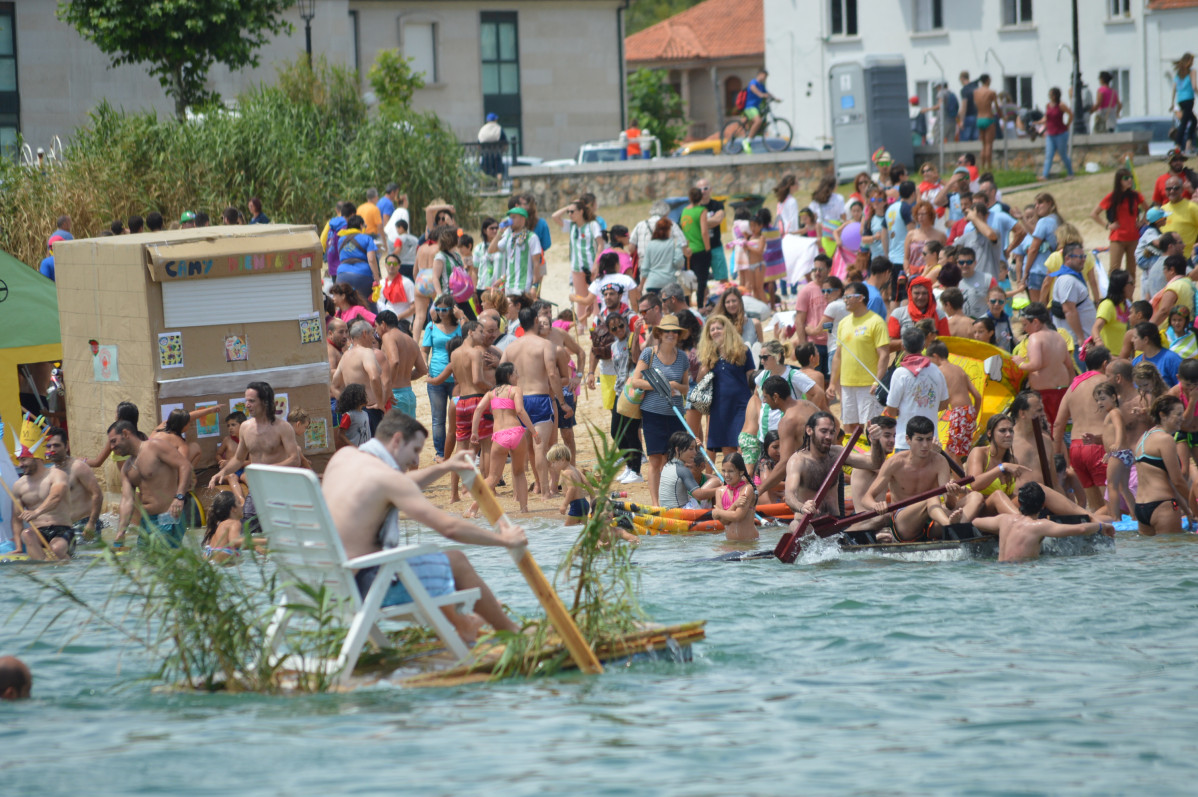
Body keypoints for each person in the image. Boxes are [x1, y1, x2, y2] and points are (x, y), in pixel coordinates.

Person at [326, 410, 525, 642]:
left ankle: (464, 624)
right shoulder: (387, 479)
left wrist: (445, 467)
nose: (416, 461)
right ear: (397, 440)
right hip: (367, 589)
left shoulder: (344, 458)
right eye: (416, 451)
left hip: (326, 583)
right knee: (455, 561)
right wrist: (505, 540)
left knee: (422, 564)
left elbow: (397, 484)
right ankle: (512, 631)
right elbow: (448, 528)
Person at [862, 416, 982, 541]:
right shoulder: (895, 462)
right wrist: (876, 505)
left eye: (928, 439)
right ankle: (952, 528)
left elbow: (950, 504)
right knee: (931, 497)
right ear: (908, 439)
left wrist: (951, 494)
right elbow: (867, 498)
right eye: (919, 439)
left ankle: (956, 527)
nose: (925, 445)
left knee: (976, 497)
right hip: (904, 522)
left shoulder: (940, 461)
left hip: (933, 517)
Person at [207, 382, 301, 533]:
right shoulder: (245, 427)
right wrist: (221, 473)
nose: (247, 405)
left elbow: (294, 459)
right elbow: (238, 459)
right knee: (248, 535)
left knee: (283, 535)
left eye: (251, 401)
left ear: (265, 402)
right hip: (257, 489)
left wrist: (265, 470)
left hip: (281, 490)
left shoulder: (283, 428)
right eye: (246, 400)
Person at [500, 306, 566, 498]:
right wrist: (562, 402)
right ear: (536, 321)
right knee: (540, 447)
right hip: (540, 399)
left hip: (518, 399)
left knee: (523, 449)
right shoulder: (545, 345)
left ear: (519, 323)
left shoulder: (511, 348)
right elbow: (553, 374)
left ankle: (520, 494)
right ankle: (545, 491)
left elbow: (501, 373)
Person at [629, 314, 691, 503]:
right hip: (653, 414)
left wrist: (674, 385)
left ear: (678, 335)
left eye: (674, 331)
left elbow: (686, 388)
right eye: (666, 331)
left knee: (673, 460)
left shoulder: (682, 358)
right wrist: (660, 385)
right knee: (656, 459)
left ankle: (671, 500)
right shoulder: (649, 353)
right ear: (660, 333)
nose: (670, 334)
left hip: (676, 414)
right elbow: (635, 380)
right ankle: (656, 503)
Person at [971, 483, 1114, 562]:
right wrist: (1102, 525)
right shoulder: (1040, 526)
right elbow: (1082, 529)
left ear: (1019, 503)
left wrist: (1000, 530)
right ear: (1043, 506)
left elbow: (976, 521)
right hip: (1023, 574)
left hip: (1002, 571)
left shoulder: (1003, 520)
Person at [467, 362, 540, 516]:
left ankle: (474, 507)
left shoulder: (491, 393)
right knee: (519, 473)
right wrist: (534, 432)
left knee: (493, 477)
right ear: (508, 376)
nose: (518, 376)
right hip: (516, 433)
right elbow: (520, 411)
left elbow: (479, 409)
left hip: (499, 436)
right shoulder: (515, 390)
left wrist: (474, 432)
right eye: (515, 373)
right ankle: (524, 509)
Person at [108, 420, 193, 549]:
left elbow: (185, 465)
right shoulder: (126, 469)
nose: (112, 447)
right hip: (147, 522)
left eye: (114, 441)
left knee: (161, 562)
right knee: (144, 563)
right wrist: (121, 531)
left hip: (168, 517)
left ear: (125, 433)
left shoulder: (155, 447)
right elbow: (127, 500)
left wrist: (180, 497)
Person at [1052, 346, 1115, 512]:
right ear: (1105, 363)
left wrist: (1056, 456)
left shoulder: (1074, 385)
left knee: (1094, 508)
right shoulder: (1107, 382)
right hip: (1098, 445)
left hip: (1076, 448)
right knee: (1111, 507)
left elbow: (1058, 424)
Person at [828, 281, 891, 437]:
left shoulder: (876, 321)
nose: (845, 300)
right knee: (849, 428)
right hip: (847, 385)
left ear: (861, 298)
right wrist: (831, 383)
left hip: (868, 385)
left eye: (848, 296)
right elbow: (838, 355)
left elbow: (884, 354)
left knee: (871, 429)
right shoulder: (843, 323)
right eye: (844, 297)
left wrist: (877, 381)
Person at [1133, 395, 1196, 533]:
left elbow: (1166, 482)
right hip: (1163, 506)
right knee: (1173, 552)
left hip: (1141, 507)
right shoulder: (1165, 439)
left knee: (1153, 554)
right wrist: (1195, 504)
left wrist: (1187, 511)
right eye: (1178, 414)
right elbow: (1178, 481)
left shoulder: (1144, 437)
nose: (1182, 418)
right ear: (1163, 415)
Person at [884, 328, 949, 451]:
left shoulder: (900, 373)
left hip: (906, 442)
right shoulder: (936, 370)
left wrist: (900, 410)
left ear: (903, 346)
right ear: (924, 345)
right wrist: (928, 408)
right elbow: (944, 403)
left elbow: (891, 410)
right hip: (930, 441)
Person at [698, 315, 755, 454]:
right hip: (720, 407)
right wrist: (706, 365)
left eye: (719, 328)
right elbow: (700, 380)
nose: (715, 331)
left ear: (727, 330)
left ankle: (746, 476)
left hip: (742, 405)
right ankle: (733, 476)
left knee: (743, 446)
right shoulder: (709, 355)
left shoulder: (742, 351)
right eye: (712, 329)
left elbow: (751, 378)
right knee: (727, 449)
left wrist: (755, 401)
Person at [9, 437, 71, 559]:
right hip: (38, 533)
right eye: (18, 460)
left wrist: (36, 512)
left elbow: (56, 497)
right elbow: (17, 518)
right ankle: (43, 569)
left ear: (36, 458)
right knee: (26, 534)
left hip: (62, 530)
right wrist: (18, 547)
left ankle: (56, 561)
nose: (20, 465)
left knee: (56, 549)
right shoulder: (18, 485)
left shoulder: (57, 475)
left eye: (23, 459)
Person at [1013, 304, 1074, 426]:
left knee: (1045, 430)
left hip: (1045, 394)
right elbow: (1068, 364)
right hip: (1061, 391)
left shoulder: (1035, 338)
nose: (1024, 329)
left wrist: (1020, 363)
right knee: (1058, 430)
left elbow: (1036, 364)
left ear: (1035, 322)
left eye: (1025, 324)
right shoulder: (1058, 337)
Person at [420, 295, 464, 460]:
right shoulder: (431, 327)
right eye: (438, 309)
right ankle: (440, 453)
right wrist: (425, 365)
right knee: (438, 418)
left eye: (445, 309)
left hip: (457, 377)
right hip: (436, 373)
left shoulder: (460, 326)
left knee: (459, 416)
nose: (441, 313)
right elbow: (424, 350)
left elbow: (469, 338)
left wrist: (462, 316)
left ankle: (460, 449)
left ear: (452, 310)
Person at [42, 427, 102, 541]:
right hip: (64, 528)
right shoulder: (50, 473)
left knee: (86, 558)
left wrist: (91, 523)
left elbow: (97, 494)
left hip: (84, 525)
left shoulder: (78, 467)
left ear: (67, 446)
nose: (52, 449)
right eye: (49, 446)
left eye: (56, 445)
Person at [926, 340, 982, 461]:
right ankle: (960, 478)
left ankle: (962, 480)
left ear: (935, 356)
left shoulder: (939, 371)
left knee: (953, 456)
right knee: (952, 453)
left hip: (958, 413)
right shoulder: (959, 369)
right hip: (969, 412)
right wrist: (974, 416)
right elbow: (977, 396)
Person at [965, 414, 1030, 516]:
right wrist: (1001, 468)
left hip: (999, 513)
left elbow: (1009, 495)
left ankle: (1063, 521)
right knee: (998, 495)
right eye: (1002, 430)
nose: (1008, 434)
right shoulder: (979, 452)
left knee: (1038, 489)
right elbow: (975, 485)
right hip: (978, 511)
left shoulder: (1012, 460)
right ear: (990, 433)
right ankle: (1024, 522)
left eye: (1011, 430)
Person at [331, 319, 386, 435]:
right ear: (365, 333)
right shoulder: (367, 353)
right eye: (372, 334)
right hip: (370, 409)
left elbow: (334, 385)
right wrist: (380, 403)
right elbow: (374, 377)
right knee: (373, 449)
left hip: (353, 412)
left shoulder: (345, 356)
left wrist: (347, 405)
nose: (373, 338)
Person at [553, 198, 604, 320]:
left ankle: (598, 323)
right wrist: (568, 206)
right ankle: (582, 325)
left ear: (581, 211)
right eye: (568, 212)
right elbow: (555, 217)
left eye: (572, 211)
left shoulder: (592, 225)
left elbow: (600, 244)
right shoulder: (571, 226)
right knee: (580, 297)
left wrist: (596, 263)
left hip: (592, 267)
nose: (570, 214)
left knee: (595, 297)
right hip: (576, 268)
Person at [1091, 169, 1143, 277]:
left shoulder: (1135, 196)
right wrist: (1107, 226)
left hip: (1133, 238)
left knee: (1132, 271)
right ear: (1119, 181)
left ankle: (1129, 294)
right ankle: (1114, 294)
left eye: (1130, 178)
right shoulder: (1112, 197)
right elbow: (1094, 214)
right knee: (1114, 270)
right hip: (1117, 238)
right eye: (1126, 178)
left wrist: (1142, 221)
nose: (1129, 180)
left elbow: (1149, 209)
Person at [489, 206, 543, 299]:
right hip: (509, 286)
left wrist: (535, 286)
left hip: (524, 287)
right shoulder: (508, 237)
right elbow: (491, 250)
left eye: (514, 217)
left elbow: (536, 264)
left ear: (522, 219)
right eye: (510, 217)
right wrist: (499, 232)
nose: (510, 220)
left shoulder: (531, 237)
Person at [1051, 243, 1097, 349]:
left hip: (1081, 340)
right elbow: (1069, 311)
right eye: (1079, 257)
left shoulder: (1072, 278)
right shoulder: (1067, 280)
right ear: (1067, 258)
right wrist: (1080, 338)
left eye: (1084, 256)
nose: (1083, 260)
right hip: (1076, 343)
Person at [334, 214, 381, 302]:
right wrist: (377, 277)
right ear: (361, 225)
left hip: (342, 274)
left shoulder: (340, 240)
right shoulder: (367, 238)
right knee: (369, 306)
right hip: (363, 275)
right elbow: (371, 260)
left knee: (346, 306)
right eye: (365, 226)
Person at [711, 453, 758, 542]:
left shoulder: (747, 489)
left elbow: (738, 516)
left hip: (749, 543)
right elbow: (724, 522)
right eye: (724, 471)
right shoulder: (719, 491)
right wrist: (735, 505)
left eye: (731, 471)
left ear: (741, 472)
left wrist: (718, 512)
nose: (726, 475)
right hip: (730, 543)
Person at [679, 187, 712, 307]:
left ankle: (687, 305)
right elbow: (704, 232)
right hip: (700, 250)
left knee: (687, 281)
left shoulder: (684, 211)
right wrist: (708, 250)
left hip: (687, 250)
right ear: (701, 197)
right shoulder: (702, 210)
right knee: (701, 281)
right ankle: (700, 306)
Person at [1092, 270, 1134, 355]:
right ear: (1122, 286)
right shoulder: (1108, 305)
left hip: (1125, 357)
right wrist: (1098, 341)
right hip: (1111, 358)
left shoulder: (1126, 304)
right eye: (1131, 283)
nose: (1134, 286)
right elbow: (1096, 328)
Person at [640, 216, 685, 295]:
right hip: (669, 283)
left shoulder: (650, 244)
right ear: (668, 230)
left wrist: (641, 285)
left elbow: (645, 267)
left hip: (652, 283)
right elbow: (679, 261)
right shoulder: (674, 243)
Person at [658, 432, 703, 509]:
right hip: (679, 514)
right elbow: (698, 494)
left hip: (667, 512)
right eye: (691, 449)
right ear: (677, 449)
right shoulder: (682, 470)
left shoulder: (667, 465)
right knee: (716, 484)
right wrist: (719, 489)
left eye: (695, 449)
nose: (695, 452)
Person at [1131, 322, 1182, 387]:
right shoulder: (1136, 362)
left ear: (1145, 339)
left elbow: (1181, 386)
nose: (1132, 340)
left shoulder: (1171, 359)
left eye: (1135, 337)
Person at [203, 483, 244, 563]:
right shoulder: (234, 523)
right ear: (233, 509)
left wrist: (255, 546)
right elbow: (235, 542)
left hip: (209, 554)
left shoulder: (217, 526)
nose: (242, 505)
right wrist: (266, 540)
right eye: (239, 503)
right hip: (223, 556)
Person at [1040, 87, 1074, 180]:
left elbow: (1071, 114)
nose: (1050, 97)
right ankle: (1045, 175)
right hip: (1050, 134)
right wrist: (1038, 122)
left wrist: (1067, 125)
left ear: (1056, 95)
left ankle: (1070, 173)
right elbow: (1046, 118)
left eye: (1052, 95)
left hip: (1060, 133)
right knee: (1049, 155)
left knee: (1063, 154)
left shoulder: (1061, 105)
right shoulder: (1048, 105)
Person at [696, 179, 727, 281]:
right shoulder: (694, 207)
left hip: (715, 246)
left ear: (710, 189)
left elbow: (718, 219)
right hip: (700, 249)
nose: (703, 191)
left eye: (705, 188)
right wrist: (710, 222)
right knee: (700, 282)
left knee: (723, 279)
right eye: (700, 189)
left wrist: (700, 222)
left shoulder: (717, 205)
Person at [741, 69, 778, 149]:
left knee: (758, 123)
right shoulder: (753, 82)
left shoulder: (762, 86)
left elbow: (767, 93)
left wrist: (775, 99)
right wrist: (760, 94)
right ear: (760, 74)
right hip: (750, 108)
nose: (765, 79)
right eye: (765, 77)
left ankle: (749, 138)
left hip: (756, 109)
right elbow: (753, 88)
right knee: (758, 121)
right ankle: (747, 141)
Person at [1161, 175, 1198, 254]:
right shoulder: (1162, 210)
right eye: (1168, 189)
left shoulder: (1192, 208)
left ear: (1182, 189)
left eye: (1175, 188)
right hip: (1167, 260)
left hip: (1186, 258)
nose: (1172, 191)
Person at [1171, 53, 1198, 156]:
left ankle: (1188, 146)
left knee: (1193, 121)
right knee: (1184, 122)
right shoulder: (1192, 72)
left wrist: (1172, 103)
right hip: (1189, 99)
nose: (1192, 63)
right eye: (1191, 61)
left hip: (1181, 100)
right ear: (1188, 62)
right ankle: (1178, 146)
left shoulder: (1179, 74)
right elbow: (1194, 86)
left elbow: (1174, 89)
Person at [973, 74, 1000, 172]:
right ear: (987, 80)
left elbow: (976, 105)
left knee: (983, 145)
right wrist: (1002, 116)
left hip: (979, 118)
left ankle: (982, 167)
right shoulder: (991, 92)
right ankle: (989, 167)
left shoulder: (976, 92)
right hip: (988, 118)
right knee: (989, 145)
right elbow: (997, 107)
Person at [958, 71, 979, 142]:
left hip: (968, 117)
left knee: (965, 140)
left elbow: (964, 106)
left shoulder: (964, 90)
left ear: (962, 78)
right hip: (977, 116)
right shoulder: (975, 87)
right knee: (975, 140)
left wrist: (961, 121)